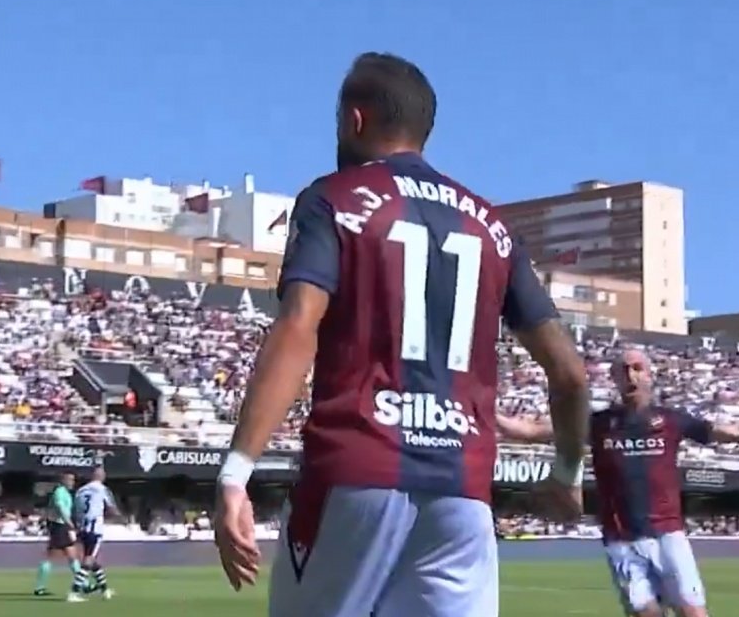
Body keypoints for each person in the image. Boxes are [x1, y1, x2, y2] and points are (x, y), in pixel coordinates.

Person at [212, 51, 591, 617]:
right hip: (463, 493)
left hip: (357, 472)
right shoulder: (491, 226)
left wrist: (235, 472)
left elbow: (299, 325)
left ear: (354, 120)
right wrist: (566, 473)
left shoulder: (331, 199)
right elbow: (569, 374)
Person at [497, 348, 739, 617]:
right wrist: (485, 410)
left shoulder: (672, 420)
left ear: (649, 375)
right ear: (614, 380)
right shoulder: (598, 424)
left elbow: (731, 431)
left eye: (637, 368)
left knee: (693, 612)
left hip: (668, 535)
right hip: (622, 540)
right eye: (622, 370)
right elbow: (531, 431)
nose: (630, 375)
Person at [71, 466, 119, 601]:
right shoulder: (102, 489)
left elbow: (76, 510)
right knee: (89, 560)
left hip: (82, 528)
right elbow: (112, 508)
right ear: (100, 475)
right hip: (94, 528)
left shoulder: (81, 490)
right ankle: (74, 592)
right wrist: (118, 517)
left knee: (93, 561)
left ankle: (104, 590)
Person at [33, 472, 83, 597]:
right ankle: (83, 583)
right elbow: (61, 509)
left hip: (59, 526)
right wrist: (69, 523)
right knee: (59, 555)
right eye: (70, 480)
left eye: (73, 480)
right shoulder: (60, 491)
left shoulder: (65, 492)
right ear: (63, 480)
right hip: (59, 525)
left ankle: (82, 583)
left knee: (70, 555)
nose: (72, 482)